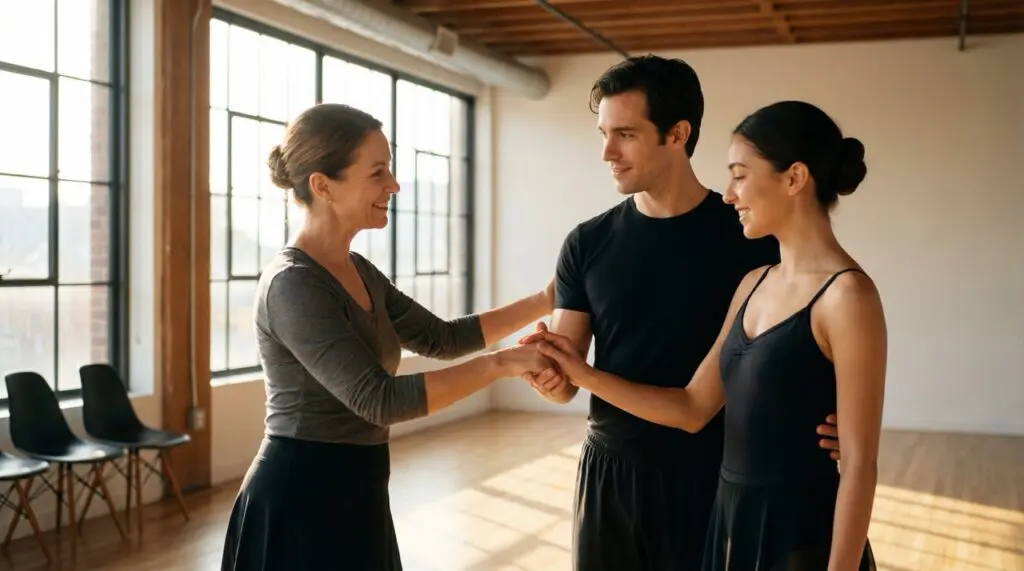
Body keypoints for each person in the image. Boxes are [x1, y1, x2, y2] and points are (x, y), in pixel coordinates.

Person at [528, 100, 884, 571]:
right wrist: (580, 373)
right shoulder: (753, 284)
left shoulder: (849, 296)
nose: (730, 194)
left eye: (740, 175)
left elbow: (859, 466)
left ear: (794, 178)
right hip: (729, 528)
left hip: (802, 536)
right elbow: (692, 407)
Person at [220, 102, 559, 571]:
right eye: (377, 172)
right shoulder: (293, 284)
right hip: (300, 499)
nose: (394, 185)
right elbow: (379, 400)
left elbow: (442, 338)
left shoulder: (358, 270)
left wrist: (547, 299)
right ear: (323, 186)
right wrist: (502, 364)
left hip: (358, 490)